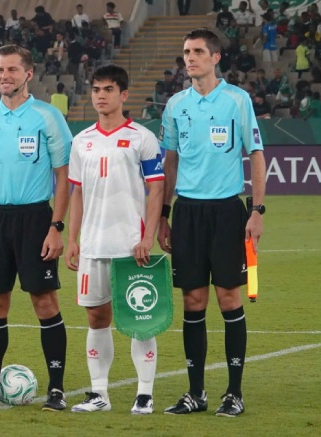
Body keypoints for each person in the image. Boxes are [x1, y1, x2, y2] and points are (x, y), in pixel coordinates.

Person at [158, 28, 265, 418]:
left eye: (199, 51)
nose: (191, 58)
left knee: (229, 299)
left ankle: (234, 393)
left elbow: (255, 154)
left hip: (225, 211)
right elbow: (169, 162)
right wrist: (165, 215)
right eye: (187, 51)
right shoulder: (175, 105)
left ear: (216, 57)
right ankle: (196, 392)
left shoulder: (237, 100)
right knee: (193, 300)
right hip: (187, 212)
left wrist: (257, 209)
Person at [0, 45, 73, 412]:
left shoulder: (47, 117)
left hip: (35, 220)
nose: (3, 76)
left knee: (44, 301)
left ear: (28, 74)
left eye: (11, 70)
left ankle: (56, 389)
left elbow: (63, 176)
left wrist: (56, 226)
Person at [65, 64, 164, 415]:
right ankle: (99, 394)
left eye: (108, 90)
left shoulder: (142, 137)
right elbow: (75, 194)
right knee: (96, 318)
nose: (101, 96)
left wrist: (147, 237)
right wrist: (72, 239)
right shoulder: (81, 141)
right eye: (96, 90)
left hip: (130, 245)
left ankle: (145, 393)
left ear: (124, 94)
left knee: (140, 318)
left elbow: (156, 191)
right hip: (92, 244)